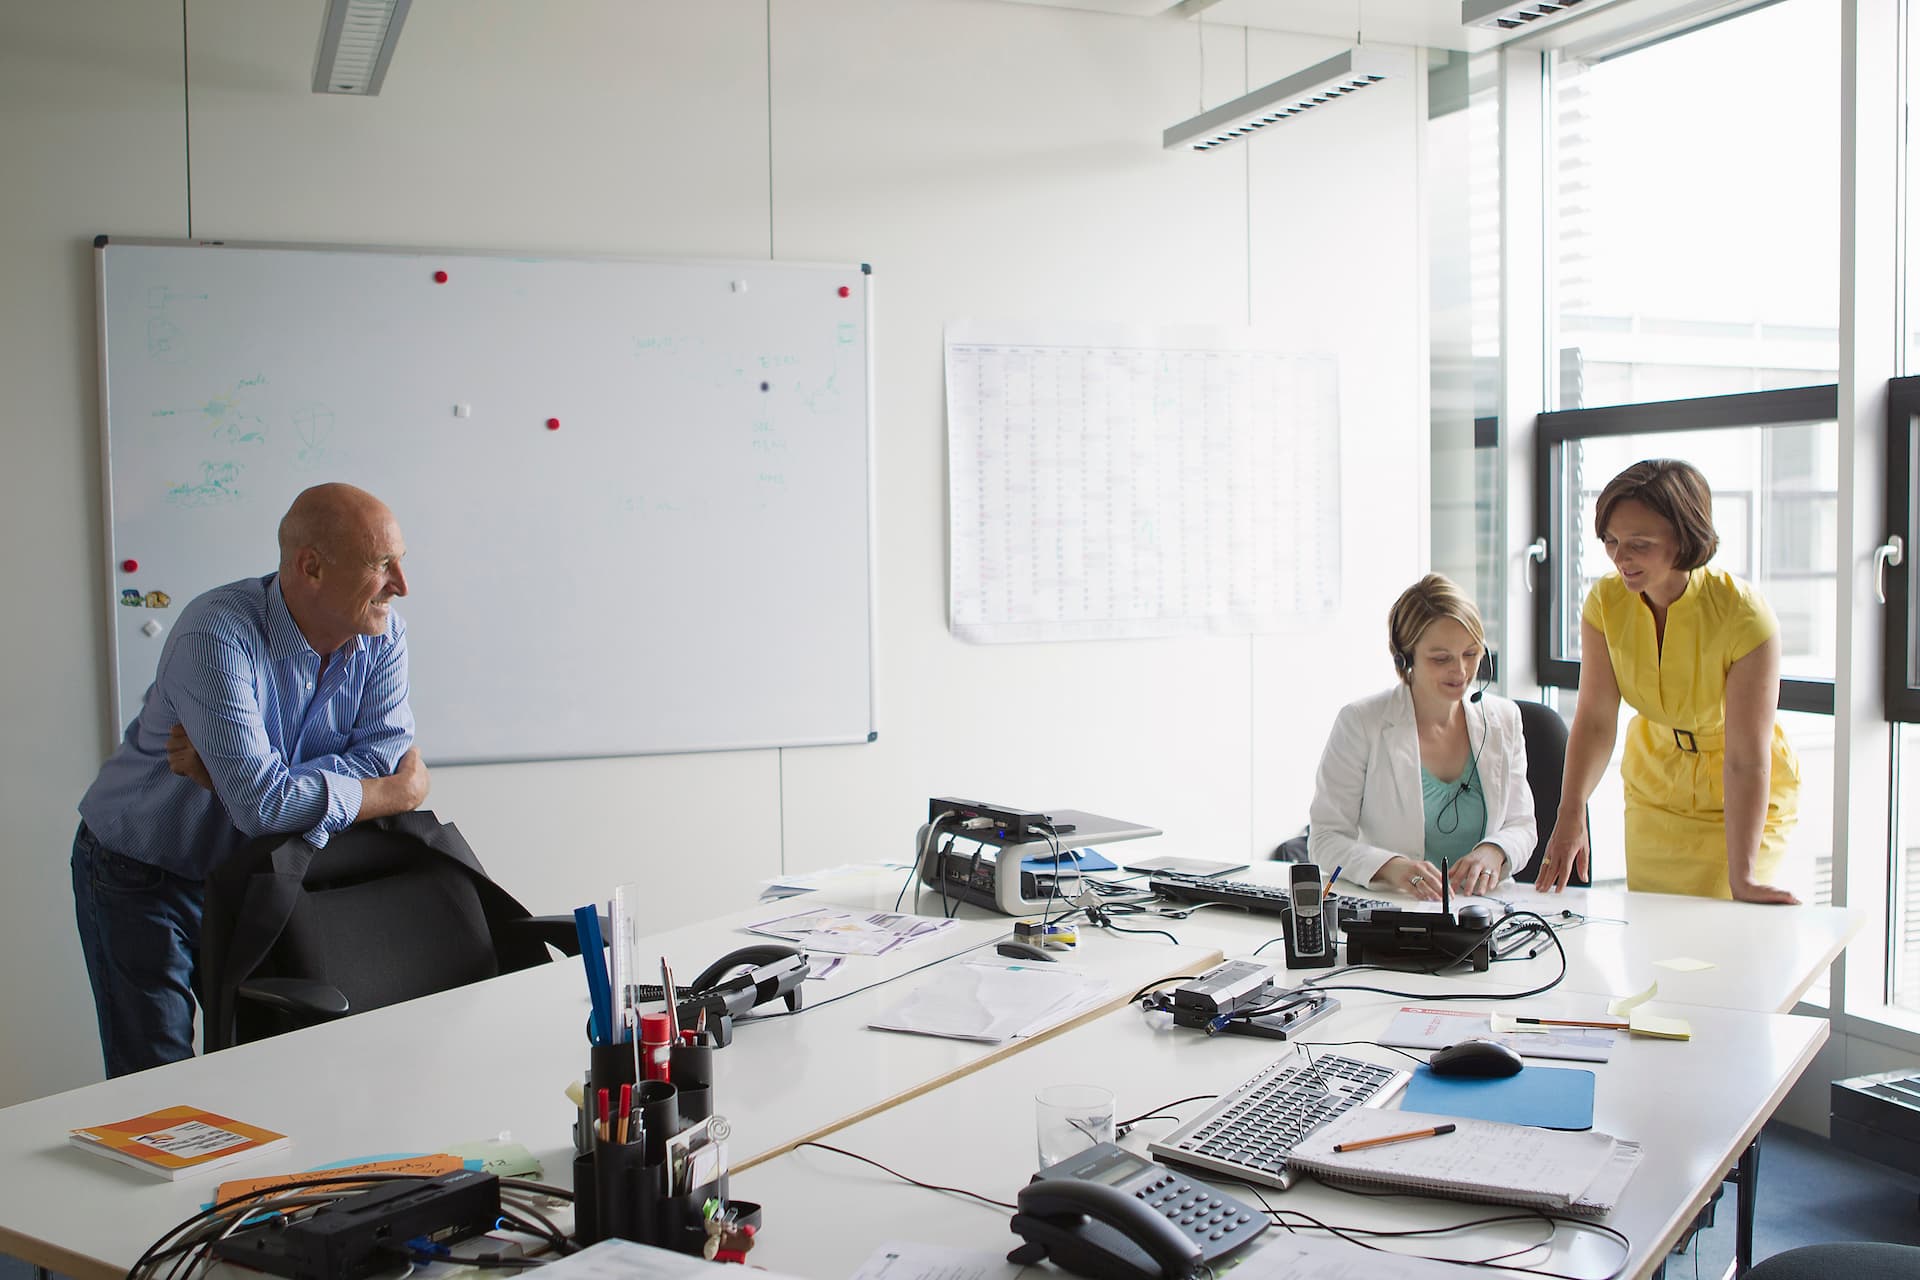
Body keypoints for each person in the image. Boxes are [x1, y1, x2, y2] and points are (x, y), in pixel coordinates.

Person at [72, 483, 429, 1076]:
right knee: (157, 1078)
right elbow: (273, 804)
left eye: (401, 561)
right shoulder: (216, 634)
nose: (400, 584)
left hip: (257, 871)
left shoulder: (384, 635)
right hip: (141, 869)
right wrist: (392, 795)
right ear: (310, 567)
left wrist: (249, 783)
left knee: (259, 1061)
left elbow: (375, 756)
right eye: (379, 564)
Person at [1535, 459, 1800, 902]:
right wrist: (1570, 811)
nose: (1621, 557)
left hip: (1737, 793)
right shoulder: (1605, 602)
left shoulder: (1743, 614)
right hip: (1655, 788)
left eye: (1639, 543)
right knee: (1656, 942)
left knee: (1720, 936)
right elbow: (1597, 718)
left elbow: (1745, 759)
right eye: (1612, 541)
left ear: (1683, 540)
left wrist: (1745, 877)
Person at [1308, 575, 1536, 900]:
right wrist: (1393, 867)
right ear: (1406, 658)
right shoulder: (1361, 723)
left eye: (1471, 654)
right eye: (1441, 658)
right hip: (1396, 908)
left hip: (1484, 911)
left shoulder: (1504, 719)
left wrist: (1494, 850)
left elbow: (1522, 824)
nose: (1460, 671)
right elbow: (1325, 839)